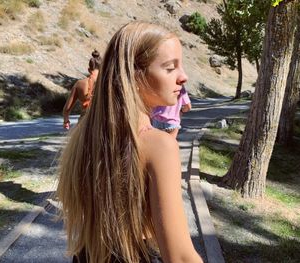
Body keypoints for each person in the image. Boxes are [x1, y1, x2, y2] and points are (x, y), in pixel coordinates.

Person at [57, 21, 203, 263]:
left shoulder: (85, 135)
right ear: (134, 76)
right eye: (170, 68)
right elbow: (180, 257)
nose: (183, 77)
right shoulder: (159, 146)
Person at [62, 49, 102, 129]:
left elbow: (67, 109)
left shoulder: (80, 84)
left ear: (89, 70)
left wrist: (66, 121)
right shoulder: (107, 83)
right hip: (102, 123)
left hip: (84, 125)